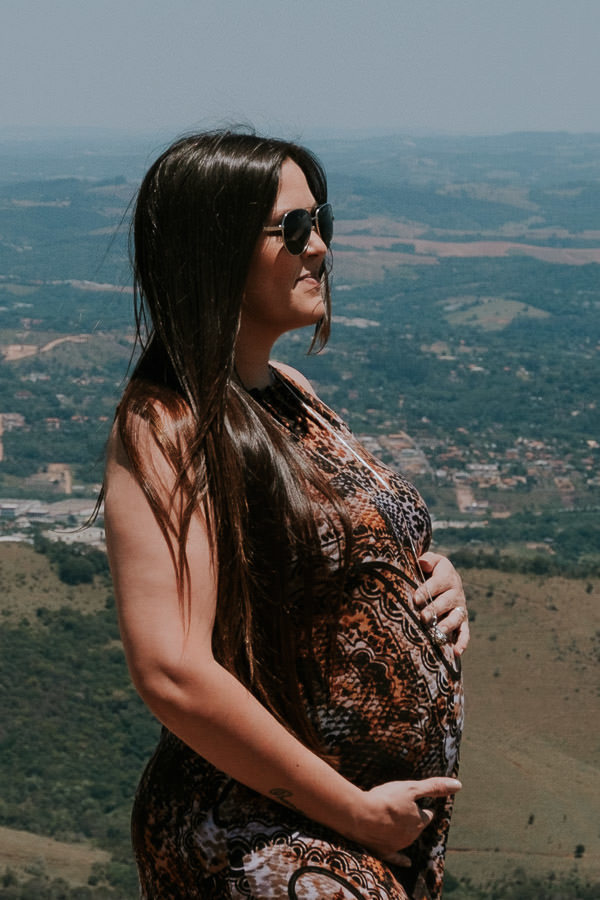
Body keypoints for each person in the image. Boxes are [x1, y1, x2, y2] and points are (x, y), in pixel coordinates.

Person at [103, 130, 468, 900]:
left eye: (321, 220)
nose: (321, 247)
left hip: (346, 828)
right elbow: (170, 670)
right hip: (259, 835)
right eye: (294, 229)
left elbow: (346, 543)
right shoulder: (166, 425)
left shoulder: (290, 392)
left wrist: (430, 580)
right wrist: (355, 813)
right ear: (215, 252)